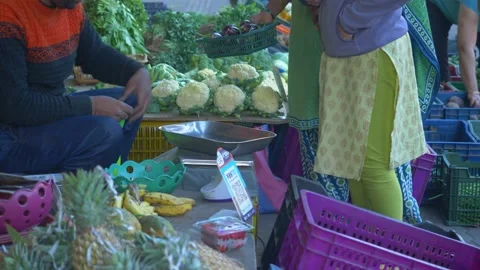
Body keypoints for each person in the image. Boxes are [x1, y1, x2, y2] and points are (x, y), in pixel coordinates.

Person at [255, 0, 429, 221]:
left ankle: (387, 253)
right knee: (354, 165)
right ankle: (367, 250)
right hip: (347, 55)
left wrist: (350, 20)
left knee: (373, 167)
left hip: (372, 51)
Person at [0, 0, 152, 174]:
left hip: (44, 116)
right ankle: (60, 194)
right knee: (104, 132)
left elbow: (94, 55)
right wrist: (90, 106)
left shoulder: (70, 7)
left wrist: (136, 71)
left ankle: (109, 181)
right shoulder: (7, 14)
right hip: (9, 134)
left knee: (132, 98)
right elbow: (15, 105)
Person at [427, 0, 480, 106]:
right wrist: (473, 92)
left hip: (467, 13)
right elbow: (465, 48)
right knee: (437, 64)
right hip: (438, 6)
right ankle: (438, 91)